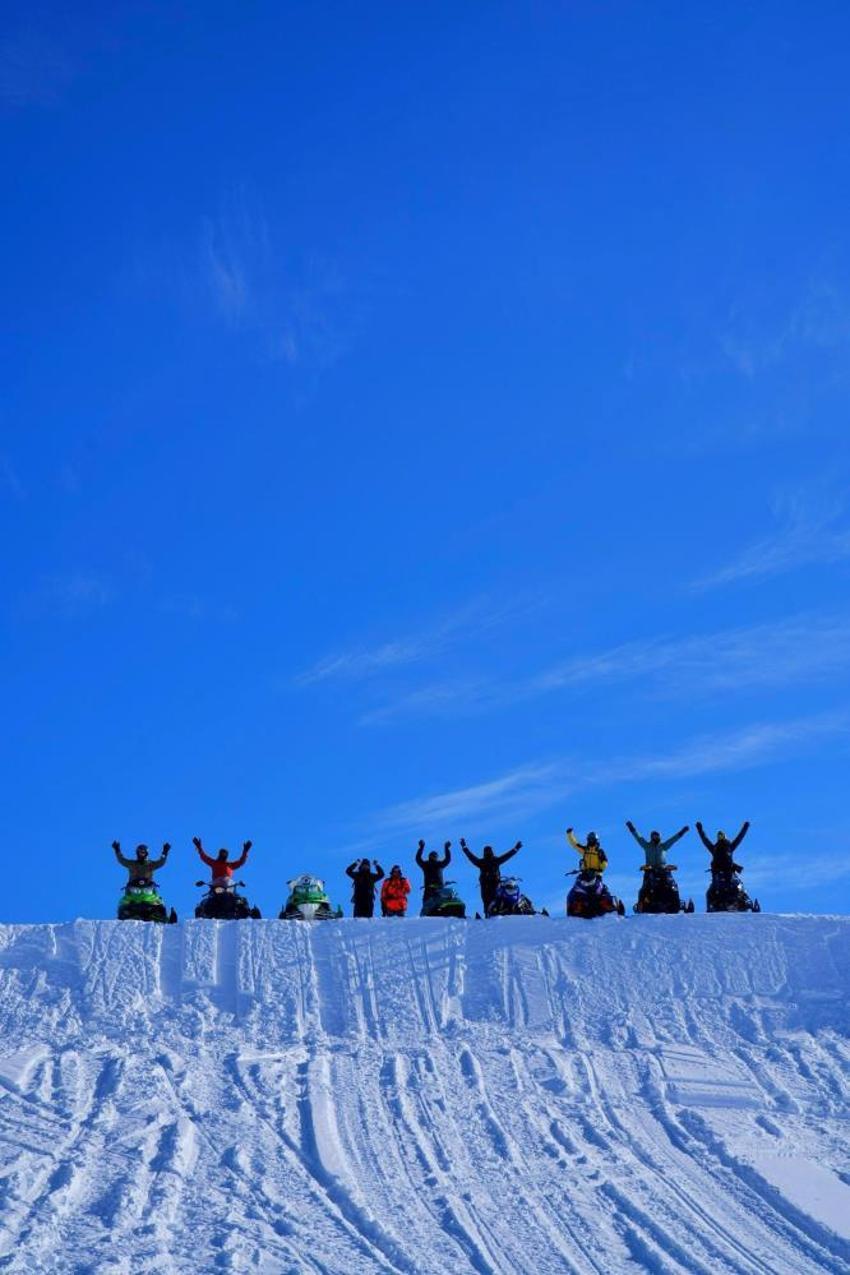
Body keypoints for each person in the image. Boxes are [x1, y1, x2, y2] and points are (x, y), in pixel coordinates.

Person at [460, 838, 522, 913]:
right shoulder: (493, 861)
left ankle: (490, 913)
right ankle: (492, 913)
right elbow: (507, 856)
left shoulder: (483, 862)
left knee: (488, 901)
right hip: (491, 885)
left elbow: (471, 857)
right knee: (492, 900)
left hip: (489, 885)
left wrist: (464, 847)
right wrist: (515, 849)